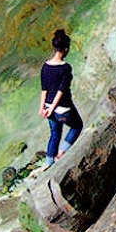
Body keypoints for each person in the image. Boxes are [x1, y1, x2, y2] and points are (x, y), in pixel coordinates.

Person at [39, 28, 84, 166]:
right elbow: (61, 91)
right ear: (65, 49)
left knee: (54, 134)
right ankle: (62, 153)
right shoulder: (65, 68)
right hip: (62, 109)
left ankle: (48, 162)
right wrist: (53, 108)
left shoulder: (45, 67)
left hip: (47, 107)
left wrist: (43, 108)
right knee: (77, 126)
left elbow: (44, 89)